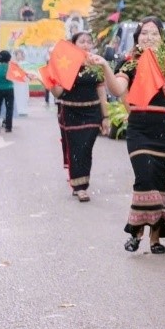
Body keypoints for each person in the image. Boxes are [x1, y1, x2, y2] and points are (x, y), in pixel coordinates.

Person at [102, 17, 165, 254]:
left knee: (158, 182)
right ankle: (136, 230)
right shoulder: (129, 65)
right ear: (137, 38)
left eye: (154, 33)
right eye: (144, 33)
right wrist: (105, 66)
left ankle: (155, 239)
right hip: (139, 130)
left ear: (162, 37)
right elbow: (116, 89)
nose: (149, 37)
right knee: (144, 177)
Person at [53, 33, 110, 202]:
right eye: (82, 41)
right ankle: (79, 187)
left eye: (88, 41)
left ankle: (82, 182)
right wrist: (48, 82)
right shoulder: (67, 64)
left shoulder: (96, 64)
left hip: (92, 113)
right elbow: (58, 92)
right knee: (75, 149)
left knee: (86, 148)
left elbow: (101, 92)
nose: (86, 44)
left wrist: (105, 116)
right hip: (70, 113)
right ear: (74, 44)